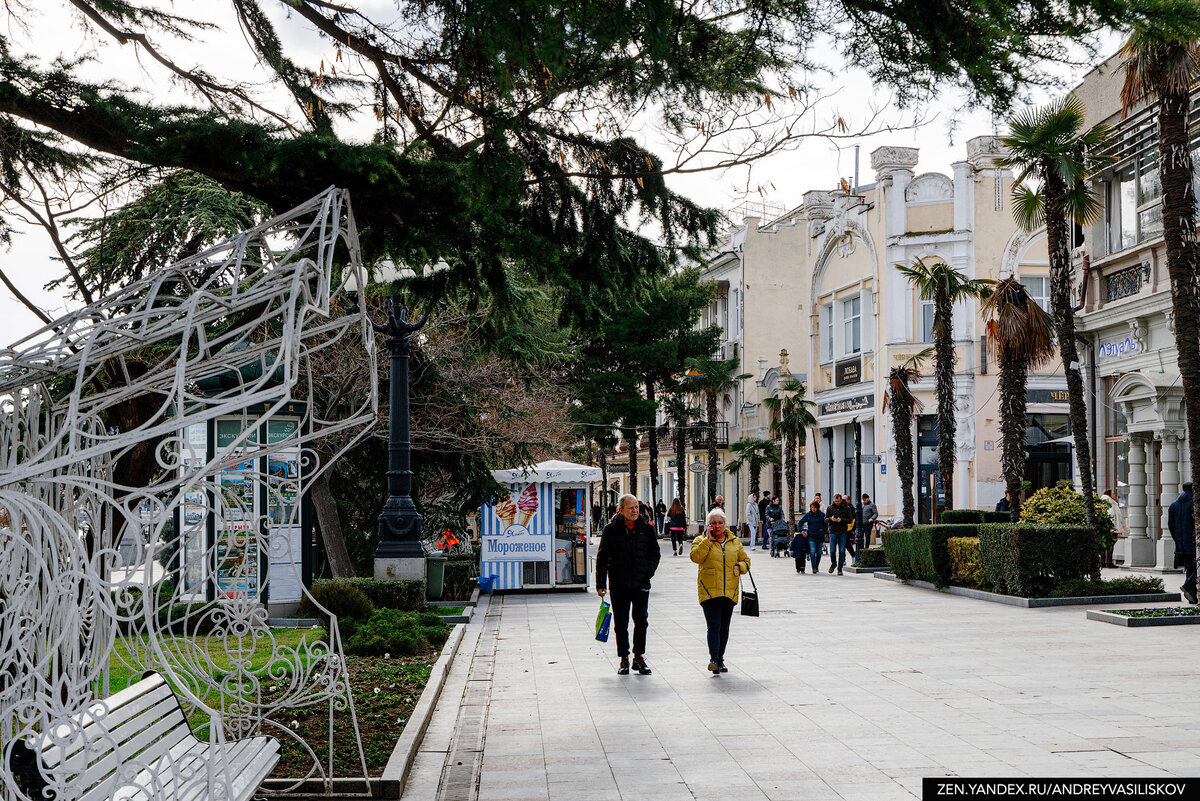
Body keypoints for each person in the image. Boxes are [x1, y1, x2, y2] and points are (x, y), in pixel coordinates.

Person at [596, 495, 661, 675]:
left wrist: (647, 572)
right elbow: (602, 558)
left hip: (640, 583)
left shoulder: (646, 529)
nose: (634, 511)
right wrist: (601, 583)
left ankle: (638, 657)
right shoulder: (611, 530)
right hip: (619, 583)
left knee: (641, 620)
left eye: (636, 507)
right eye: (630, 507)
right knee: (621, 623)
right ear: (621, 510)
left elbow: (655, 554)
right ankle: (623, 658)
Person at [690, 507, 751, 675]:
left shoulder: (735, 541)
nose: (717, 526)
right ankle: (713, 659)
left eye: (720, 523)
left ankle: (721, 659)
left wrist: (741, 566)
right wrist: (707, 541)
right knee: (714, 625)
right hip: (709, 591)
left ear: (725, 525)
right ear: (708, 525)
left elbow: (746, 561)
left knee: (724, 627)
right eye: (713, 523)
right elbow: (696, 557)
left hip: (729, 591)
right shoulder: (700, 540)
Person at [1168, 482, 1197, 606]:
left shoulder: (1173, 505)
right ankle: (1188, 585)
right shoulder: (1194, 504)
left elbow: (1171, 525)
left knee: (1189, 568)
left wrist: (1177, 540)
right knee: (1195, 567)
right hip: (1193, 542)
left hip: (1181, 544)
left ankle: (1192, 597)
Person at [825, 494, 854, 575]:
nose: (836, 502)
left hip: (842, 532)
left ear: (841, 500)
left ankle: (840, 568)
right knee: (832, 550)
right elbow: (825, 519)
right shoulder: (830, 508)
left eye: (838, 501)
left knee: (841, 551)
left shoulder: (846, 508)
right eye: (835, 501)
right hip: (833, 531)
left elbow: (850, 520)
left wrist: (841, 520)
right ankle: (833, 563)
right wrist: (831, 519)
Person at [796, 500, 827, 573]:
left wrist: (824, 532)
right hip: (811, 535)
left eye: (814, 507)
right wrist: (801, 530)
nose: (813, 509)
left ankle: (816, 565)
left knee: (819, 552)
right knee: (812, 551)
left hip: (820, 535)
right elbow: (800, 523)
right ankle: (814, 567)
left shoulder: (822, 515)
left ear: (817, 508)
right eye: (812, 507)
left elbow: (826, 524)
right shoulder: (808, 515)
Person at [1102, 489, 1126, 568]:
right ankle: (1108, 562)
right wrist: (1112, 528)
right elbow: (1111, 515)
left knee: (1104, 545)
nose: (1114, 495)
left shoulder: (1105, 501)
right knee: (1110, 545)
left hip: (1107, 528)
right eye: (1113, 493)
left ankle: (1103, 562)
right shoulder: (1110, 503)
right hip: (1111, 528)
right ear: (1109, 494)